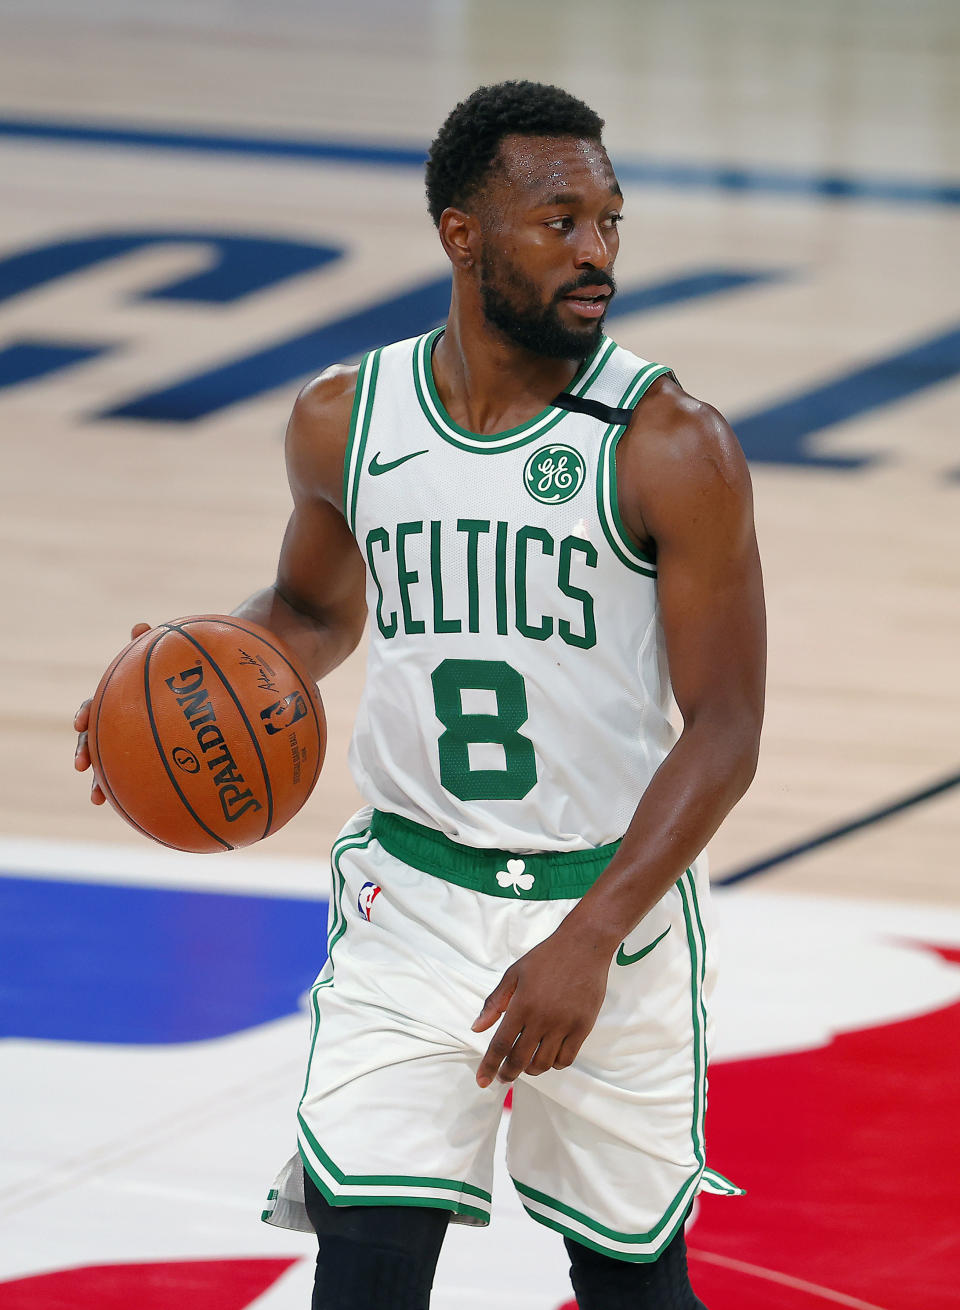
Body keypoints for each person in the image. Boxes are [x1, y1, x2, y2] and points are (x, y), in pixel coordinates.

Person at [75, 81, 765, 1310]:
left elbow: (726, 729)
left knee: (632, 1286)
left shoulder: (670, 443)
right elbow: (314, 611)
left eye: (609, 221)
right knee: (367, 1266)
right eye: (560, 222)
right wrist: (176, 680)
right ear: (462, 234)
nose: (596, 251)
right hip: (416, 897)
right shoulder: (347, 419)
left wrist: (591, 938)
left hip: (608, 902)